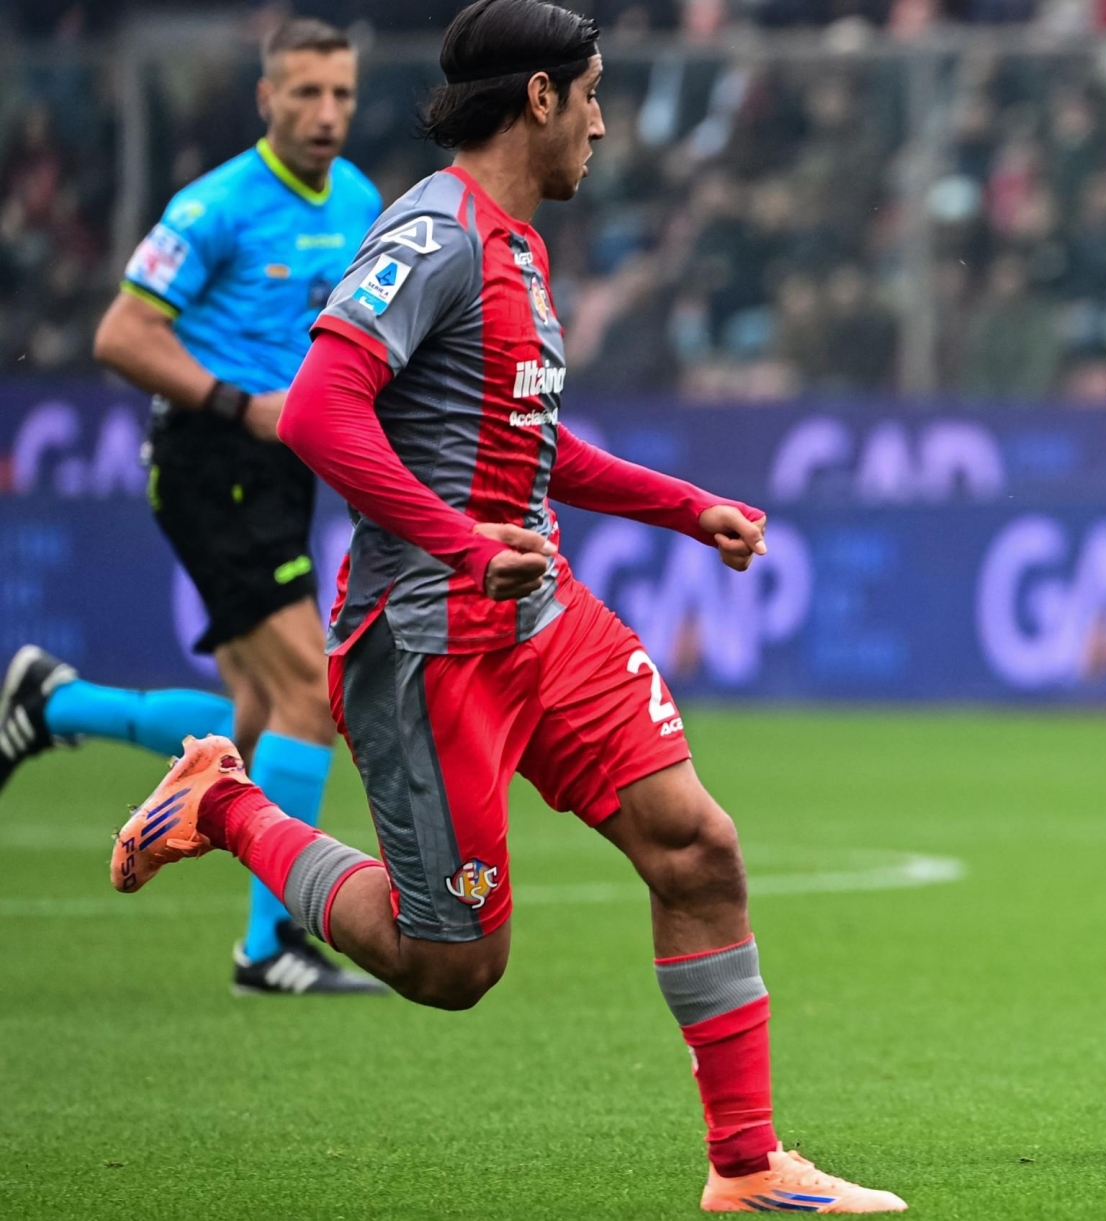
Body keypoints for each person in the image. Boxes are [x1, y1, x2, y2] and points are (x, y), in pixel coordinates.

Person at [106, 1, 904, 1212]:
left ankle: (746, 1166)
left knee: (697, 847)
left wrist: (687, 507)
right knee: (451, 964)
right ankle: (223, 804)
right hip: (430, 636)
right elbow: (323, 410)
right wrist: (457, 547)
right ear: (539, 97)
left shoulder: (518, 246)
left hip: (541, 618)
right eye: (592, 93)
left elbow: (530, 446)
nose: (602, 121)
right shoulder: (429, 235)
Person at [0, 18, 385, 997]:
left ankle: (52, 702)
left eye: (340, 94)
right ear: (267, 100)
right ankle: (271, 948)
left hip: (284, 468)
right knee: (311, 695)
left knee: (251, 722)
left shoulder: (359, 200)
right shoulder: (214, 204)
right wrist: (237, 401)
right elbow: (121, 333)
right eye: (305, 94)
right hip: (213, 460)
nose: (326, 113)